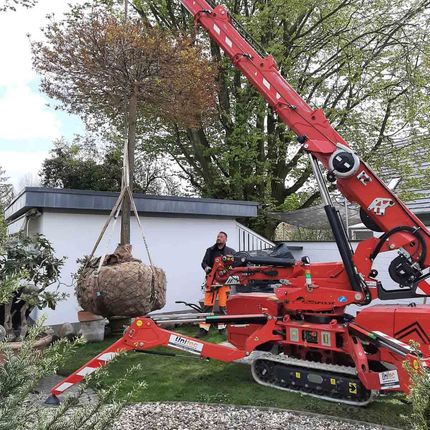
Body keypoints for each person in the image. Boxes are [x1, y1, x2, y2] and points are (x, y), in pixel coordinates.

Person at [197, 231, 236, 338]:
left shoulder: (231, 252)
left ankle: (222, 328)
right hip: (211, 281)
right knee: (207, 306)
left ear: (226, 239)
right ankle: (203, 329)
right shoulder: (210, 250)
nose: (219, 238)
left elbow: (235, 264)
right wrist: (207, 268)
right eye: (218, 236)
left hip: (224, 282)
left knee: (223, 306)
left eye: (221, 237)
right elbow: (203, 263)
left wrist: (227, 271)